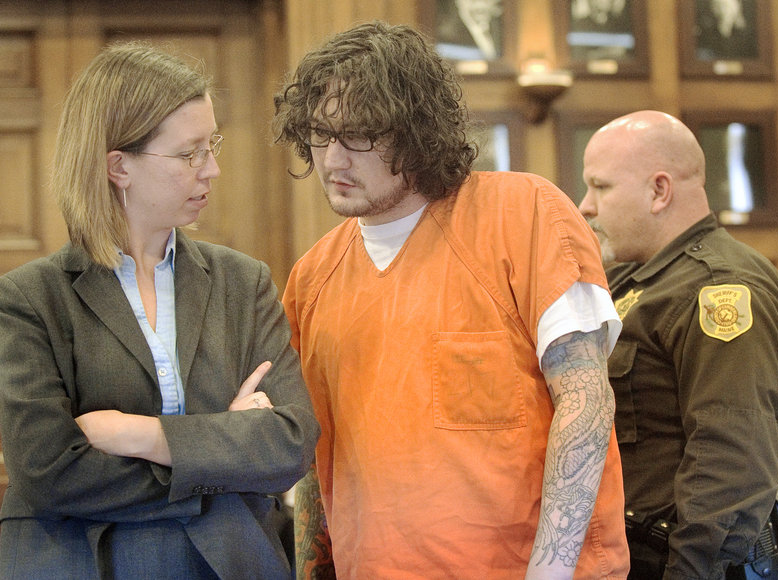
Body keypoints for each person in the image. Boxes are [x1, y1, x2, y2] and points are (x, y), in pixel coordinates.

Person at [273, 21, 630, 580]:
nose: (333, 160)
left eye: (359, 134)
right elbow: (317, 463)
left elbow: (585, 401)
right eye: (320, 135)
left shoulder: (524, 213)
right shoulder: (312, 275)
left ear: (415, 130)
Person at [0, 42, 320, 580]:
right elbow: (50, 471)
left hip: (234, 562)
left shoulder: (243, 282)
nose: (213, 169)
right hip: (86, 562)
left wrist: (140, 435)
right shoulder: (30, 299)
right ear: (119, 166)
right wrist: (222, 456)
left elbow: (289, 443)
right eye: (190, 152)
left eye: (211, 144)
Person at [579, 110, 778, 579]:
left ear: (659, 191)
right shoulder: (639, 280)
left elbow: (731, 464)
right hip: (636, 554)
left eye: (601, 187)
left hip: (694, 565)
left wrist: (689, 572)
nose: (585, 206)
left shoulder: (720, 289)